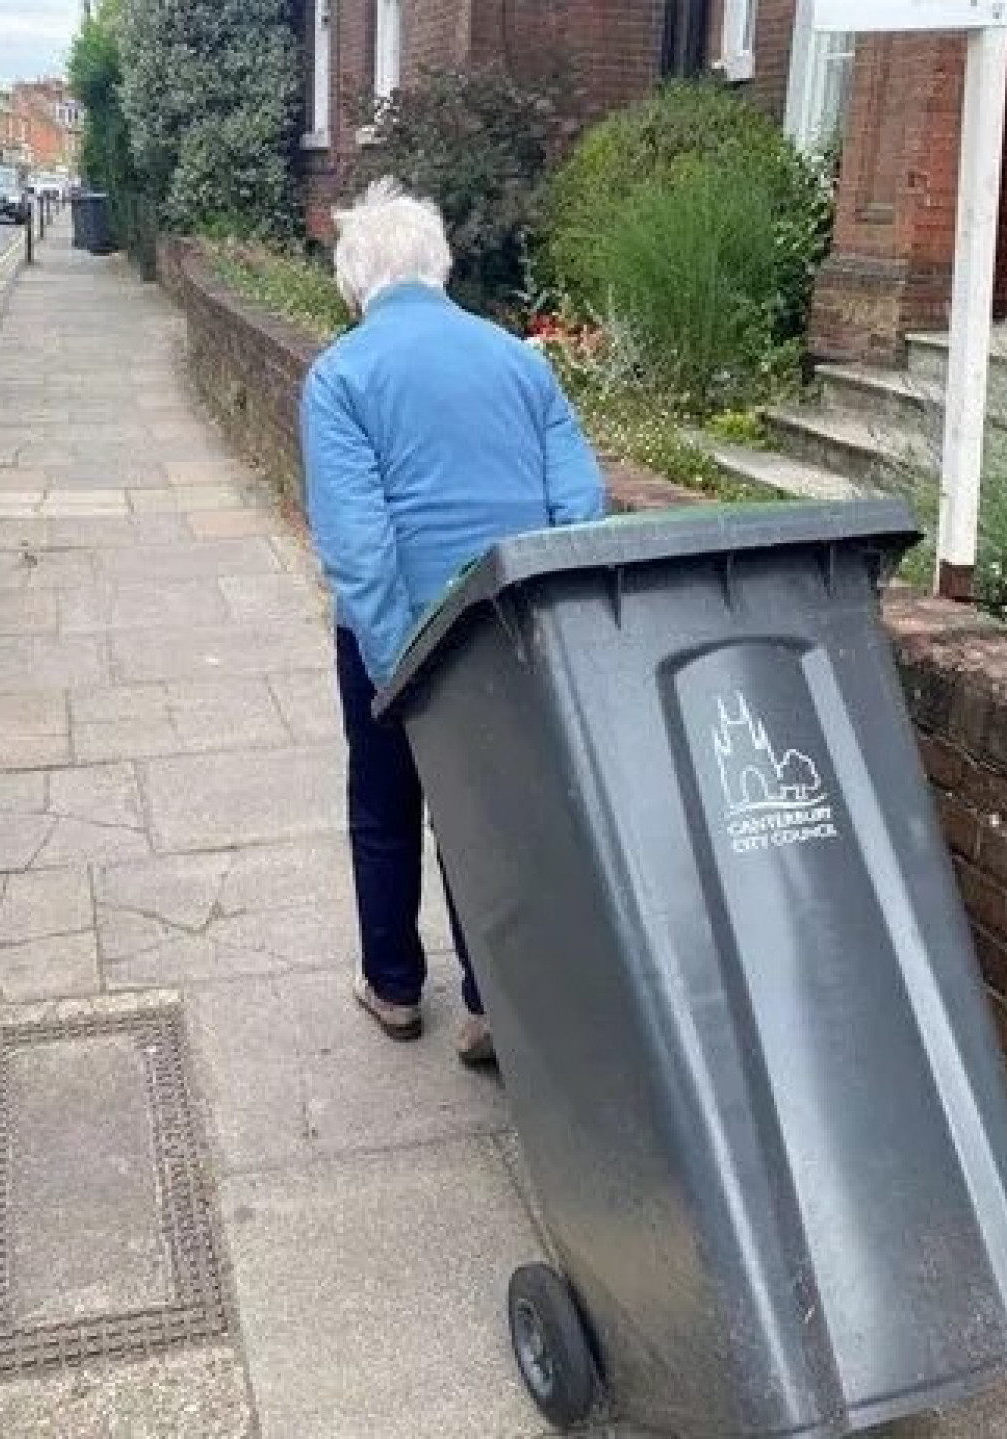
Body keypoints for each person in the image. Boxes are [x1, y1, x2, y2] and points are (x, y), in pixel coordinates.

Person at [301, 179, 605, 1066]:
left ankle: (395, 987)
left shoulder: (342, 377)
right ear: (441, 267)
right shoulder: (523, 363)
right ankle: (490, 1004)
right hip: (509, 633)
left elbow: (359, 547)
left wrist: (400, 668)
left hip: (399, 640)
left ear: (356, 286)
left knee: (386, 807)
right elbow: (578, 505)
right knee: (491, 815)